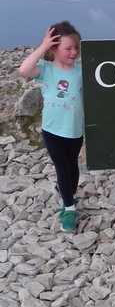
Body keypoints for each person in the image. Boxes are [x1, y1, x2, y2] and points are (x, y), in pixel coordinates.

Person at [19, 21, 84, 232]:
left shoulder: (81, 71)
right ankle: (69, 208)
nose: (73, 52)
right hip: (52, 131)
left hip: (75, 130)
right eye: (68, 48)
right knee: (62, 168)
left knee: (72, 167)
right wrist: (43, 46)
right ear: (55, 49)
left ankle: (67, 193)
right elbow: (24, 69)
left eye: (76, 47)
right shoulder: (46, 69)